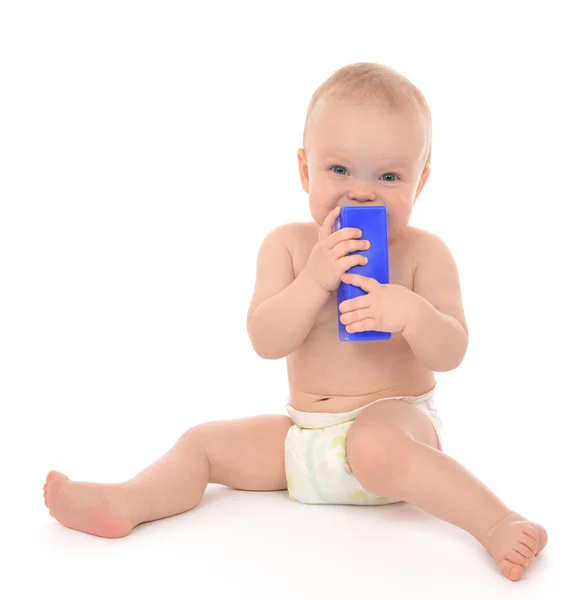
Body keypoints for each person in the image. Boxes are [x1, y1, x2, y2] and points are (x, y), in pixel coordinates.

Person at [43, 62, 547, 582]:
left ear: (419, 184)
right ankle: (130, 501)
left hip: (395, 431)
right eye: (340, 170)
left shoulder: (424, 254)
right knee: (202, 443)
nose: (362, 192)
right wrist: (314, 280)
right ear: (306, 171)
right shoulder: (286, 246)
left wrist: (413, 314)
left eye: (390, 176)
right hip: (303, 442)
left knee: (374, 444)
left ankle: (496, 522)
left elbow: (453, 350)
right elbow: (266, 339)